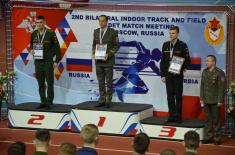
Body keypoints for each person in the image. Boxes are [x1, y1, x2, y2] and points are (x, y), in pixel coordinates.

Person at [160, 26, 191, 124]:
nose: (171, 35)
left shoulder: (182, 45)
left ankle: (178, 117)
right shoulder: (165, 45)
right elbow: (163, 61)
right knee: (169, 96)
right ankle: (171, 116)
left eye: (173, 33)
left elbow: (187, 59)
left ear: (177, 34)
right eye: (170, 33)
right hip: (168, 75)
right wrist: (162, 75)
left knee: (178, 96)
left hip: (177, 75)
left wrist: (181, 68)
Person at [30, 15, 61, 109]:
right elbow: (31, 45)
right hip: (38, 62)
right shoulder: (34, 33)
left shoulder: (51, 33)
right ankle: (43, 101)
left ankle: (49, 101)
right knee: (40, 83)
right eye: (37, 23)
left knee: (49, 82)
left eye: (41, 22)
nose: (39, 24)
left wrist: (56, 61)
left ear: (44, 23)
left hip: (48, 61)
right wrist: (31, 50)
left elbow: (57, 48)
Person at [92, 14, 120, 108]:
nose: (101, 22)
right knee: (100, 81)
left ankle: (108, 101)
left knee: (108, 82)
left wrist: (109, 54)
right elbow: (94, 44)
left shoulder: (113, 32)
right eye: (99, 21)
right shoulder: (96, 31)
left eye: (103, 21)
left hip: (108, 61)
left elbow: (117, 46)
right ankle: (102, 99)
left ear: (107, 21)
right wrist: (93, 53)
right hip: (98, 61)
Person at [200, 55, 226, 145]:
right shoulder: (204, 72)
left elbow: (221, 88)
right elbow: (202, 86)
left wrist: (220, 100)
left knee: (216, 120)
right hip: (206, 100)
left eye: (208, 61)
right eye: (206, 61)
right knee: (207, 120)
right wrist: (202, 98)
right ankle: (208, 137)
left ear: (213, 62)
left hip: (215, 101)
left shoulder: (220, 73)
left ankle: (217, 138)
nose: (206, 62)